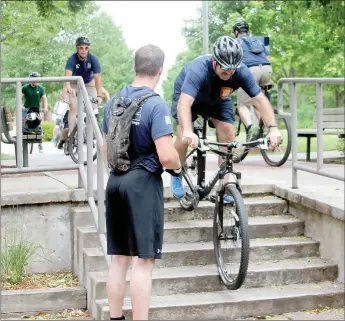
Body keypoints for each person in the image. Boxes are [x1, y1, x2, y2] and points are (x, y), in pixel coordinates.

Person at [102, 44, 181, 320]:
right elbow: (167, 156)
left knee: (119, 259)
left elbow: (105, 151)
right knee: (143, 262)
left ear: (134, 67)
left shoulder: (113, 102)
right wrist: (179, 166)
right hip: (142, 185)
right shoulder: (155, 105)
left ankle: (114, 318)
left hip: (115, 183)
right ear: (160, 71)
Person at [170, 36, 282, 200]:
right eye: (225, 69)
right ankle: (176, 172)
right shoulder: (198, 69)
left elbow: (260, 100)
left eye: (232, 70)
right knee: (182, 136)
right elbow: (184, 104)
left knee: (228, 133)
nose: (229, 73)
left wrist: (273, 128)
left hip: (218, 99)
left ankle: (224, 186)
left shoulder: (241, 70)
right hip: (188, 99)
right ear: (215, 61)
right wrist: (187, 130)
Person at [59, 36, 102, 149]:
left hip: (89, 82)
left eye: (86, 48)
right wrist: (68, 87)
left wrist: (99, 95)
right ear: (77, 48)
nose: (83, 50)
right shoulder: (72, 59)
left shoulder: (93, 59)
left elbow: (98, 78)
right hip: (74, 82)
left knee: (91, 109)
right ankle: (71, 135)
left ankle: (89, 134)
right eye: (81, 48)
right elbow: (67, 76)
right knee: (73, 107)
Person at [233, 19, 273, 141]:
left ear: (236, 32)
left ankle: (252, 130)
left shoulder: (235, 42)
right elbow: (268, 58)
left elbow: (232, 61)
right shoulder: (257, 41)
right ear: (247, 31)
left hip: (250, 70)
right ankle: (267, 129)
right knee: (258, 102)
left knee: (242, 105)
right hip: (267, 69)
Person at [22, 72, 48, 153]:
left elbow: (44, 99)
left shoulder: (40, 88)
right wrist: (21, 106)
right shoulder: (25, 88)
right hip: (26, 109)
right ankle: (22, 145)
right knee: (23, 124)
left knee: (38, 126)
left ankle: (40, 145)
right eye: (35, 78)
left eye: (38, 79)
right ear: (31, 79)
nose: (37, 80)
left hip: (36, 109)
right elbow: (19, 97)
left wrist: (45, 108)